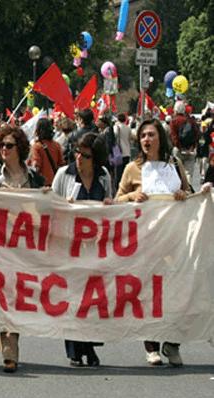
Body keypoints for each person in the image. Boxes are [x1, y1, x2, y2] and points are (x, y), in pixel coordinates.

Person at [115, 118, 191, 367]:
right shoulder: (132, 169)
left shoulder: (175, 165)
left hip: (174, 241)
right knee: (147, 294)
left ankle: (172, 342)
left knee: (177, 294)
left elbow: (190, 197)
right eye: (143, 136)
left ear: (161, 138)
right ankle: (151, 345)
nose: (146, 140)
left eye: (151, 135)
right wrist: (130, 196)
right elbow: (116, 202)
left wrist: (183, 195)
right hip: (144, 242)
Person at [0, 124, 44, 373]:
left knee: (18, 296)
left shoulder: (34, 178)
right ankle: (9, 344)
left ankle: (11, 337)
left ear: (20, 148)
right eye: (1, 146)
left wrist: (46, 197)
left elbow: (45, 209)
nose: (4, 150)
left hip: (24, 246)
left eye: (9, 145)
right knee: (2, 293)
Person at [52, 132, 112, 367]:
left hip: (94, 248)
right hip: (69, 247)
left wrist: (109, 203)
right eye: (77, 152)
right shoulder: (63, 175)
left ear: (95, 159)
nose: (79, 158)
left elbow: (111, 204)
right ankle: (75, 349)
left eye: (85, 155)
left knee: (91, 299)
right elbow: (51, 206)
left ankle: (89, 346)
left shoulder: (104, 177)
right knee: (73, 297)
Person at [170, 101, 199, 183]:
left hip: (178, 150)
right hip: (190, 150)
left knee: (177, 172)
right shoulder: (191, 121)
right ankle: (188, 190)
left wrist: (180, 147)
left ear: (175, 110)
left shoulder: (173, 121)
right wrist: (192, 147)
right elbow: (197, 135)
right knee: (188, 173)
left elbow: (174, 137)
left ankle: (180, 189)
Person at [29, 118, 64, 186]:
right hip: (55, 184)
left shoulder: (37, 147)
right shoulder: (57, 145)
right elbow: (61, 165)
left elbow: (36, 167)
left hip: (42, 186)